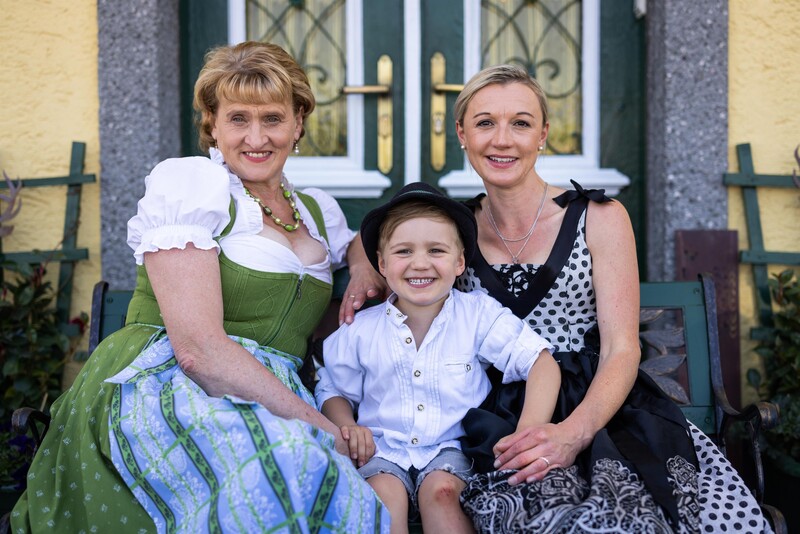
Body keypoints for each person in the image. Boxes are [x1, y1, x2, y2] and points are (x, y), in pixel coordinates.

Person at [11, 41, 389, 533]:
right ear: (212, 123)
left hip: (269, 394)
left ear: (299, 122)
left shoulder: (316, 210)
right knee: (289, 464)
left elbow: (356, 242)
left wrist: (361, 265)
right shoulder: (192, 187)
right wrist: (322, 427)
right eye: (238, 119)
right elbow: (199, 352)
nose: (256, 137)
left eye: (273, 118)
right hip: (168, 386)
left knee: (326, 478)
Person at [445, 64, 771, 532]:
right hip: (491, 417)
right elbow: (379, 241)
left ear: (543, 134)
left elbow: (622, 348)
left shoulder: (598, 216)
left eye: (520, 123)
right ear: (462, 133)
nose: (502, 140)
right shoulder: (449, 228)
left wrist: (572, 434)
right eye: (484, 123)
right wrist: (359, 266)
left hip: (597, 410)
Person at [315, 182, 560, 534]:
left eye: (436, 250)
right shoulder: (361, 330)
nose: (420, 263)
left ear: (459, 262)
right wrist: (347, 425)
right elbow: (333, 388)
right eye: (403, 251)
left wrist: (527, 435)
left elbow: (540, 362)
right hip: (382, 451)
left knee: (443, 493)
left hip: (452, 452)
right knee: (382, 497)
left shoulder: (477, 315)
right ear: (382, 263)